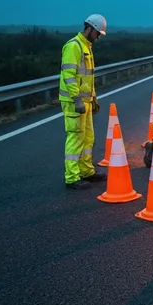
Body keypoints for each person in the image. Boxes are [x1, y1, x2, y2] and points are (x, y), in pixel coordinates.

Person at [58, 14, 109, 189]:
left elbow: (87, 78)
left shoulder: (86, 46)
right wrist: (77, 99)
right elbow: (69, 76)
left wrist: (93, 98)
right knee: (75, 138)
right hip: (74, 102)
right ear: (89, 29)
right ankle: (72, 177)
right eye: (97, 33)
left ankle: (86, 171)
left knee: (88, 138)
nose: (98, 37)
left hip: (85, 101)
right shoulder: (74, 46)